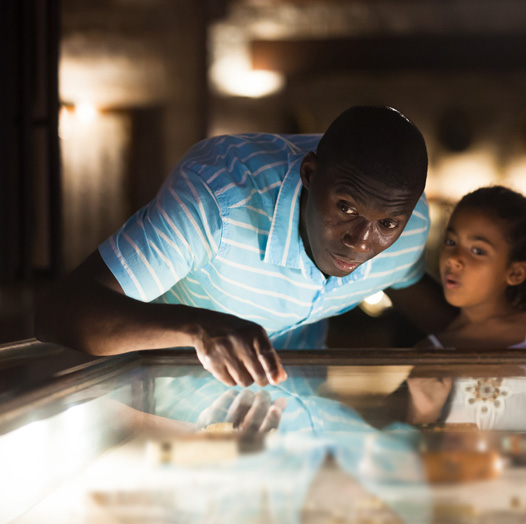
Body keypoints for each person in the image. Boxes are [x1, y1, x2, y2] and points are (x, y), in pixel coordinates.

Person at [36, 106, 451, 387]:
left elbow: (426, 304)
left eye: (386, 224)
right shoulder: (219, 196)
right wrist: (200, 327)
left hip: (293, 416)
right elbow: (63, 313)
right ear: (310, 174)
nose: (361, 240)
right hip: (167, 417)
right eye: (346, 207)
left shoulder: (409, 227)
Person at [405, 185, 526, 428]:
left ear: (515, 272)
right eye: (451, 241)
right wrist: (422, 413)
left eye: (477, 250)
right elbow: (412, 452)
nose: (454, 258)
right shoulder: (431, 351)